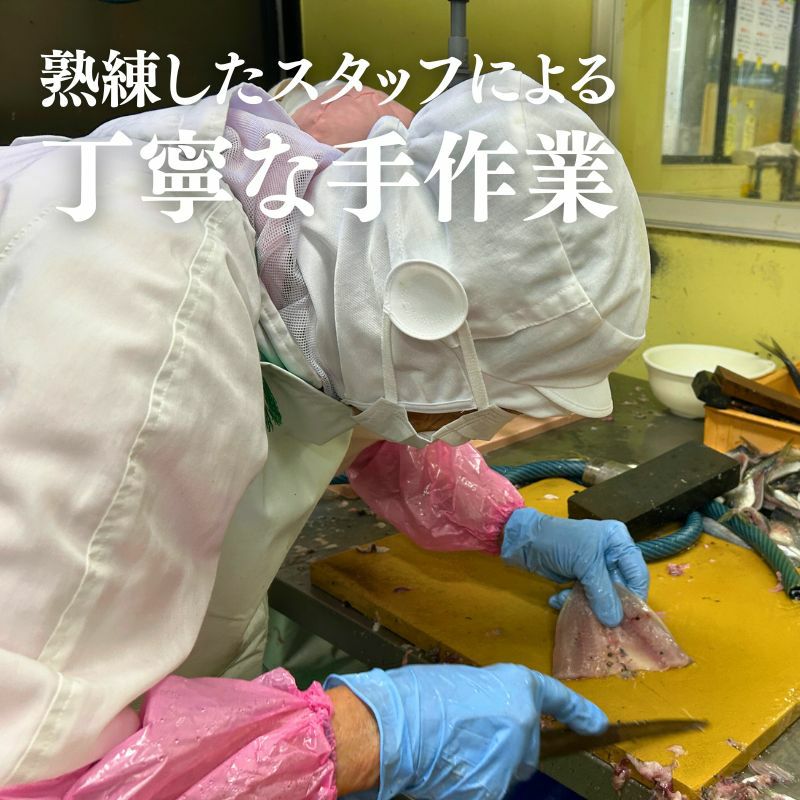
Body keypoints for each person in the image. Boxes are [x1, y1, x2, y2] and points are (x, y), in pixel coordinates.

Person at [0, 68, 650, 798]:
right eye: (498, 397)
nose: (487, 420)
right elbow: (37, 768)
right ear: (427, 312)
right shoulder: (137, 339)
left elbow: (367, 413)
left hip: (160, 666)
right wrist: (371, 734)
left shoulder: (316, 255)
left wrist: (510, 526)